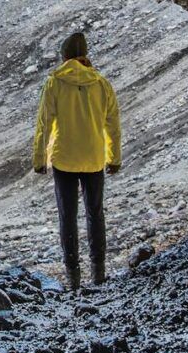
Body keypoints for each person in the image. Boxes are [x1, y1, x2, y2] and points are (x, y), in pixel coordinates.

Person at [31, 31, 121, 291]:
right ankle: (99, 272)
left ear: (65, 56)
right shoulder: (101, 83)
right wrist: (114, 157)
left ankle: (73, 278)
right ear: (86, 56)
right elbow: (113, 124)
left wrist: (40, 158)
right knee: (96, 213)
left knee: (67, 216)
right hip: (94, 158)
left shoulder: (55, 83)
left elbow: (44, 123)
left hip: (64, 160)